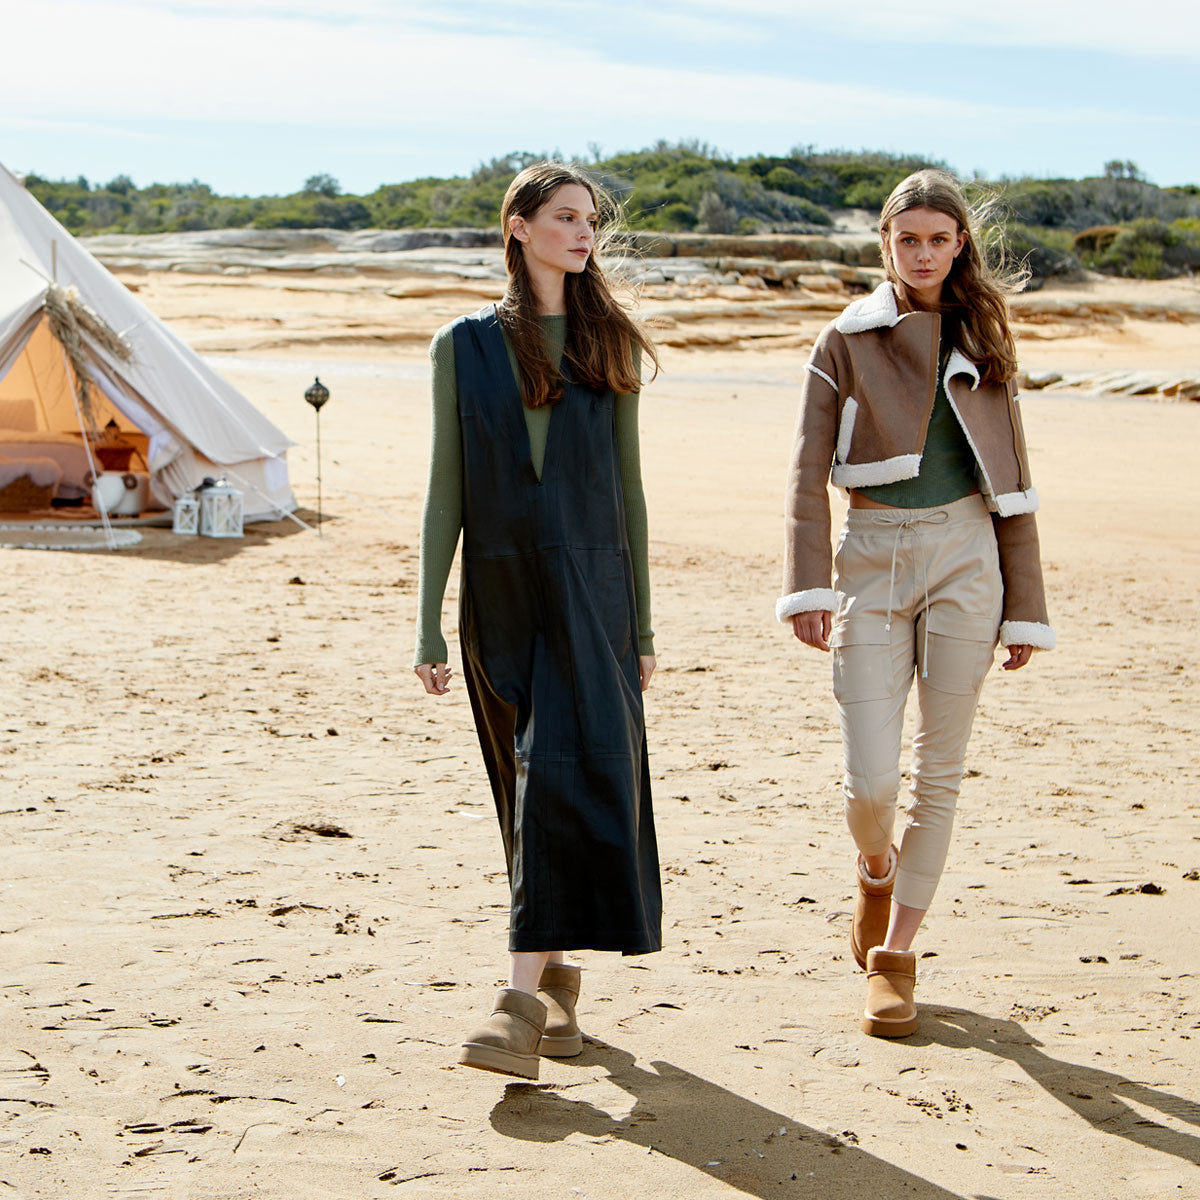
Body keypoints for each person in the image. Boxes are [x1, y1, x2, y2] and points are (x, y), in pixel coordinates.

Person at [778, 169, 1054, 1038]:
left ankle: (896, 958)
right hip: (870, 556)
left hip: (969, 557)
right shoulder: (845, 340)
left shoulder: (986, 333)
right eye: (908, 239)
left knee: (940, 774)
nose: (924, 253)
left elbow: (1013, 482)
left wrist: (1025, 602)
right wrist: (807, 584)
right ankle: (873, 868)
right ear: (886, 244)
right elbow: (804, 473)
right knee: (871, 779)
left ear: (959, 243)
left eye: (939, 239)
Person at [414, 161, 662, 1079]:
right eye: (564, 217)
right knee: (521, 788)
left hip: (594, 594)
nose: (582, 232)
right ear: (517, 227)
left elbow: (630, 494)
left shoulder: (612, 341)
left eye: (589, 219)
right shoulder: (461, 346)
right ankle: (557, 981)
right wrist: (428, 623)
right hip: (499, 592)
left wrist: (640, 628)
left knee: (556, 773)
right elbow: (448, 491)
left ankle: (514, 1007)